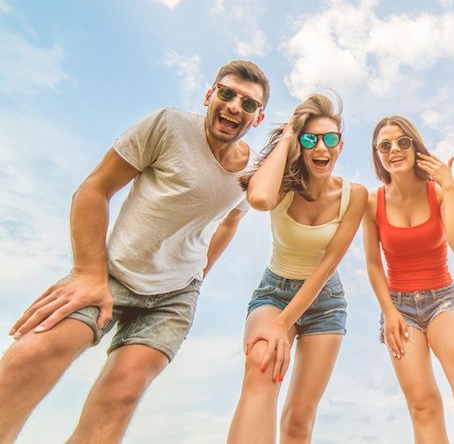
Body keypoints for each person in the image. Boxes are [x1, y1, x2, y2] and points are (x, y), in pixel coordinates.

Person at [0, 60, 269, 443]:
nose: (234, 106)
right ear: (210, 95)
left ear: (257, 118)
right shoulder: (167, 125)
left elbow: (230, 222)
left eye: (248, 103)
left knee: (121, 396)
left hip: (173, 297)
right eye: (226, 94)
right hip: (111, 274)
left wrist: (197, 278)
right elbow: (94, 190)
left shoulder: (254, 170)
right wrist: (87, 273)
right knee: (34, 355)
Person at [227, 92, 367, 444]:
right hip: (275, 291)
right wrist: (288, 135)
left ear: (340, 144)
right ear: (300, 145)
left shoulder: (356, 196)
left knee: (299, 419)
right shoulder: (281, 187)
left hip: (325, 301)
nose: (321, 147)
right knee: (262, 369)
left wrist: (282, 325)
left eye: (330, 138)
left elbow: (328, 264)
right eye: (311, 138)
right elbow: (258, 199)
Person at [361, 116, 454, 444]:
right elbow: (372, 263)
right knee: (422, 404)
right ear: (377, 154)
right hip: (398, 306)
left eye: (402, 142)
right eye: (385, 145)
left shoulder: (438, 192)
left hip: (442, 298)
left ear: (415, 146)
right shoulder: (371, 201)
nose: (394, 150)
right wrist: (390, 313)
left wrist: (450, 186)